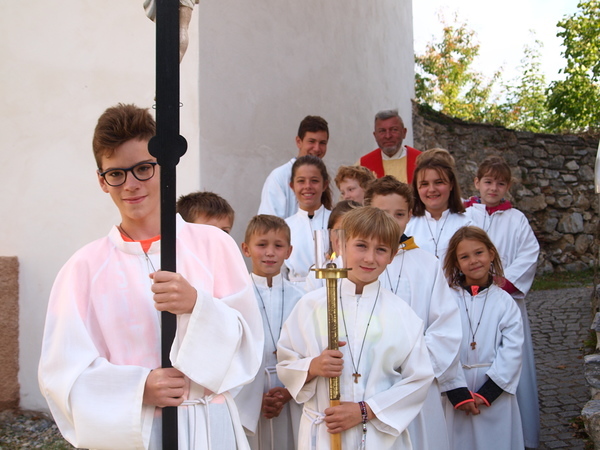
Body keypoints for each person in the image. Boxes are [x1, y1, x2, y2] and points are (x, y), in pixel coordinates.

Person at [38, 103, 263, 450]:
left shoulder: (213, 245)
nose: (131, 185)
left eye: (143, 168)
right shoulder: (82, 269)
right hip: (135, 432)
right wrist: (138, 388)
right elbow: (62, 373)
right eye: (116, 173)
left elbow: (249, 344)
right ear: (101, 181)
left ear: (164, 167)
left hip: (207, 424)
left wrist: (197, 306)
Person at [277, 206, 435, 449]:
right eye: (361, 246)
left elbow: (419, 379)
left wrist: (365, 410)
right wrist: (313, 366)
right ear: (341, 245)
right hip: (324, 433)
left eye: (381, 250)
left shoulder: (403, 315)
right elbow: (286, 363)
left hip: (378, 436)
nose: (370, 258)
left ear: (392, 255)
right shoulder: (311, 305)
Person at [365, 176, 462, 450]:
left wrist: (413, 367)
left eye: (399, 214)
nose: (391, 221)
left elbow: (444, 326)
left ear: (410, 215)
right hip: (370, 378)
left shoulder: (427, 264)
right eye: (382, 213)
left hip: (416, 381)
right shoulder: (356, 263)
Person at [464, 155, 541, 448]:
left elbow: (529, 253)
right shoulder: (465, 214)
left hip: (505, 298)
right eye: (488, 182)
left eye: (499, 183)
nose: (493, 188)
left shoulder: (516, 219)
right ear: (477, 183)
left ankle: (520, 433)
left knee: (511, 356)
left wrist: (503, 282)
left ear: (507, 187)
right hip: (470, 298)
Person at [442, 226, 524, 450]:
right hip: (457, 387)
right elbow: (440, 344)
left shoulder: (504, 302)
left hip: (494, 390)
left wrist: (488, 393)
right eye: (464, 257)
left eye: (479, 253)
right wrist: (455, 390)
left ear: (491, 254)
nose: (473, 261)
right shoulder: (446, 299)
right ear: (456, 263)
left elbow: (512, 349)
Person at [235, 215, 305, 450]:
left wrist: (288, 392)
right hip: (247, 391)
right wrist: (255, 398)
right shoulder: (237, 297)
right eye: (262, 244)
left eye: (278, 245)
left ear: (289, 251)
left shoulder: (302, 299)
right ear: (246, 249)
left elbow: (309, 351)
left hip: (290, 391)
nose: (270, 253)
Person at [258, 116, 329, 219]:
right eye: (311, 141)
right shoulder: (279, 177)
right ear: (299, 142)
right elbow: (269, 222)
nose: (317, 148)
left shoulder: (323, 175)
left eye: (322, 143)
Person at [405, 149, 470, 261]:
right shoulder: (406, 226)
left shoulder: (468, 224)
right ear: (416, 188)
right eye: (424, 184)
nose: (432, 189)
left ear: (451, 185)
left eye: (439, 182)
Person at [284, 155, 333, 284]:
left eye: (314, 181)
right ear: (292, 186)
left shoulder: (336, 220)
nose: (307, 186)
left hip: (331, 287)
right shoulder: (285, 226)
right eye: (301, 181)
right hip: (296, 291)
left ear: (324, 185)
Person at [303, 199, 362, 293]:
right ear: (330, 234)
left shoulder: (372, 269)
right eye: (339, 231)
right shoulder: (317, 274)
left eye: (352, 232)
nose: (344, 238)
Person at [358, 109, 420, 183]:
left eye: (394, 130)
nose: (388, 136)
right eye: (382, 131)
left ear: (404, 133)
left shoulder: (422, 161)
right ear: (375, 136)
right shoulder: (362, 166)